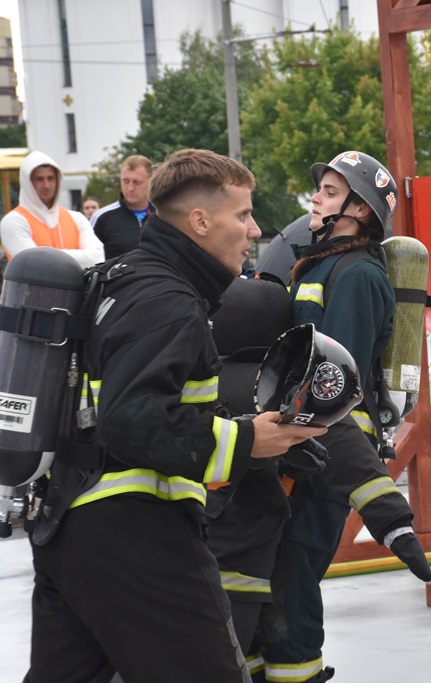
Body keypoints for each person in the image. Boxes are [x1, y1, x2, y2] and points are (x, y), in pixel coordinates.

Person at [25, 148, 326, 683]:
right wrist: (245, 442)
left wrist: (251, 441)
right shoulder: (168, 300)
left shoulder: (126, 280)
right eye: (243, 214)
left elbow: (141, 406)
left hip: (70, 526)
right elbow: (131, 418)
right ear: (200, 221)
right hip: (138, 536)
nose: (255, 230)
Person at [256, 151, 431, 683]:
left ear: (361, 210)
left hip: (330, 450)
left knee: (295, 570)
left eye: (330, 192)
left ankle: (297, 673)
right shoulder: (320, 263)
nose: (315, 198)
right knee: (275, 568)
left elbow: (335, 379)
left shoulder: (358, 275)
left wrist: (295, 441)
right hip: (299, 440)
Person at [0, 150, 104, 267]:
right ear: (28, 182)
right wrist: (80, 257)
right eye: (39, 179)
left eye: (50, 178)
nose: (46, 185)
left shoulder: (76, 218)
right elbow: (35, 264)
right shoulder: (13, 222)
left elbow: (97, 258)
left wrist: (48, 255)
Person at [91, 154, 155, 259]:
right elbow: (90, 259)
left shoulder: (164, 215)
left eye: (136, 182)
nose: (130, 188)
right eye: (126, 181)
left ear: (151, 181)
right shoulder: (102, 217)